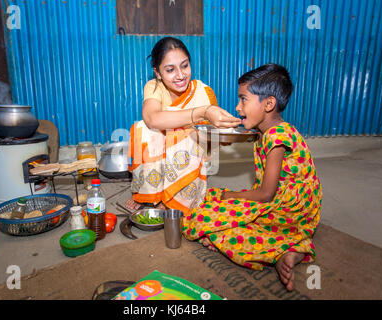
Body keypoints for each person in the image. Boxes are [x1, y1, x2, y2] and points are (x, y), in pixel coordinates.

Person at [182, 63, 322, 292]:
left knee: (205, 216)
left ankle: (288, 248)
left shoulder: (277, 137)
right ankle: (289, 249)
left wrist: (230, 196)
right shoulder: (266, 130)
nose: (238, 107)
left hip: (290, 208)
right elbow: (236, 145)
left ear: (268, 104)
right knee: (213, 201)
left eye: (243, 99)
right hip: (289, 204)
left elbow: (266, 194)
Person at [126, 37, 241, 214]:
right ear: (158, 73)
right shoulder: (155, 87)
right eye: (170, 70)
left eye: (185, 66)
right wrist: (201, 112)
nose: (180, 75)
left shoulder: (202, 91)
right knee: (145, 129)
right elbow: (152, 118)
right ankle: (150, 193)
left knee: (186, 136)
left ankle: (174, 198)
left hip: (194, 155)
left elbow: (212, 141)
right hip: (164, 153)